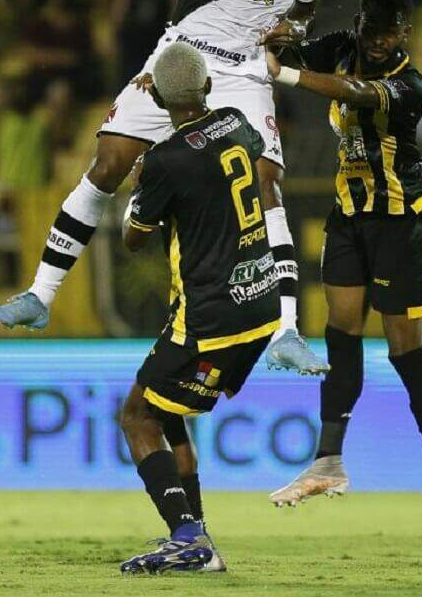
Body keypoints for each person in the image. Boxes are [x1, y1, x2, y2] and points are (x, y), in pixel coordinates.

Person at [0, 0, 334, 375]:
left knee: (265, 184)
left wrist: (296, 33)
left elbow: (303, 18)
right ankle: (40, 296)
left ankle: (287, 330)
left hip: (241, 74)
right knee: (106, 166)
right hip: (178, 58)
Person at [261, 0, 422, 547]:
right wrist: (271, 32)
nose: (378, 43)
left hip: (403, 223)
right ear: (361, 24)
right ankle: (328, 459)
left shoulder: (409, 85)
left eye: (389, 34)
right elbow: (288, 48)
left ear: (405, 34)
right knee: (340, 332)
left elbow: (351, 92)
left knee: (404, 348)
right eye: (371, 31)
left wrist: (281, 72)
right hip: (350, 217)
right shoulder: (344, 45)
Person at [116, 41, 281, 574]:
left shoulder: (163, 161)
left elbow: (134, 238)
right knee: (168, 410)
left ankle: (188, 536)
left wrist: (139, 183)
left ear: (162, 98)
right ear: (207, 87)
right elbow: (226, 151)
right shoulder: (235, 122)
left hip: (210, 318)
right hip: (260, 301)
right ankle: (197, 535)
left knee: (138, 415)